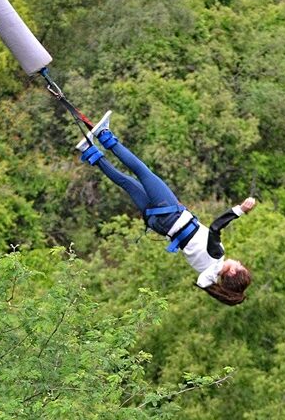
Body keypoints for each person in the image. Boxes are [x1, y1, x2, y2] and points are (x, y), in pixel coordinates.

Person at [75, 111, 256, 306]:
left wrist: (239, 210)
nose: (238, 262)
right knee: (127, 183)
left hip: (170, 212)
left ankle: (104, 135)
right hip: (157, 224)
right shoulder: (205, 275)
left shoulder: (217, 256)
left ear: (232, 272)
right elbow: (203, 283)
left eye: (239, 266)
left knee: (142, 171)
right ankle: (89, 151)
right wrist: (227, 293)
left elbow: (215, 228)